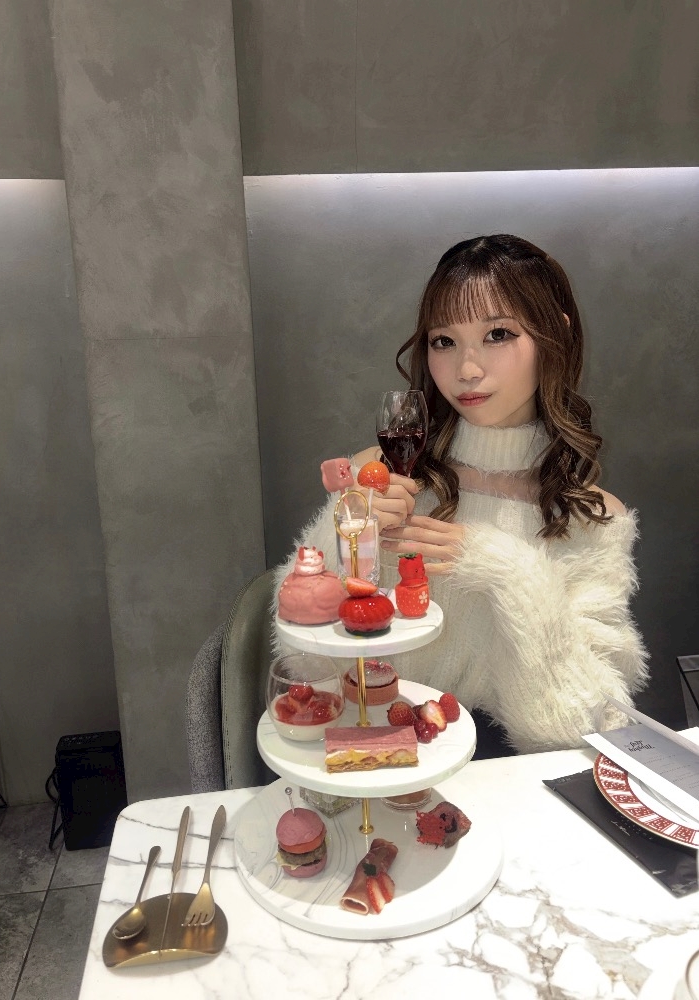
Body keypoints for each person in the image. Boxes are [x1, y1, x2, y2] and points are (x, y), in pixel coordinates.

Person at [274, 234, 648, 756]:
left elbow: (575, 727)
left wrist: (509, 571)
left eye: (498, 334)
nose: (467, 369)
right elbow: (304, 661)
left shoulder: (590, 515)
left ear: (555, 337)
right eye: (444, 341)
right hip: (377, 755)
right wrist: (350, 529)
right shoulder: (383, 475)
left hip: (506, 776)